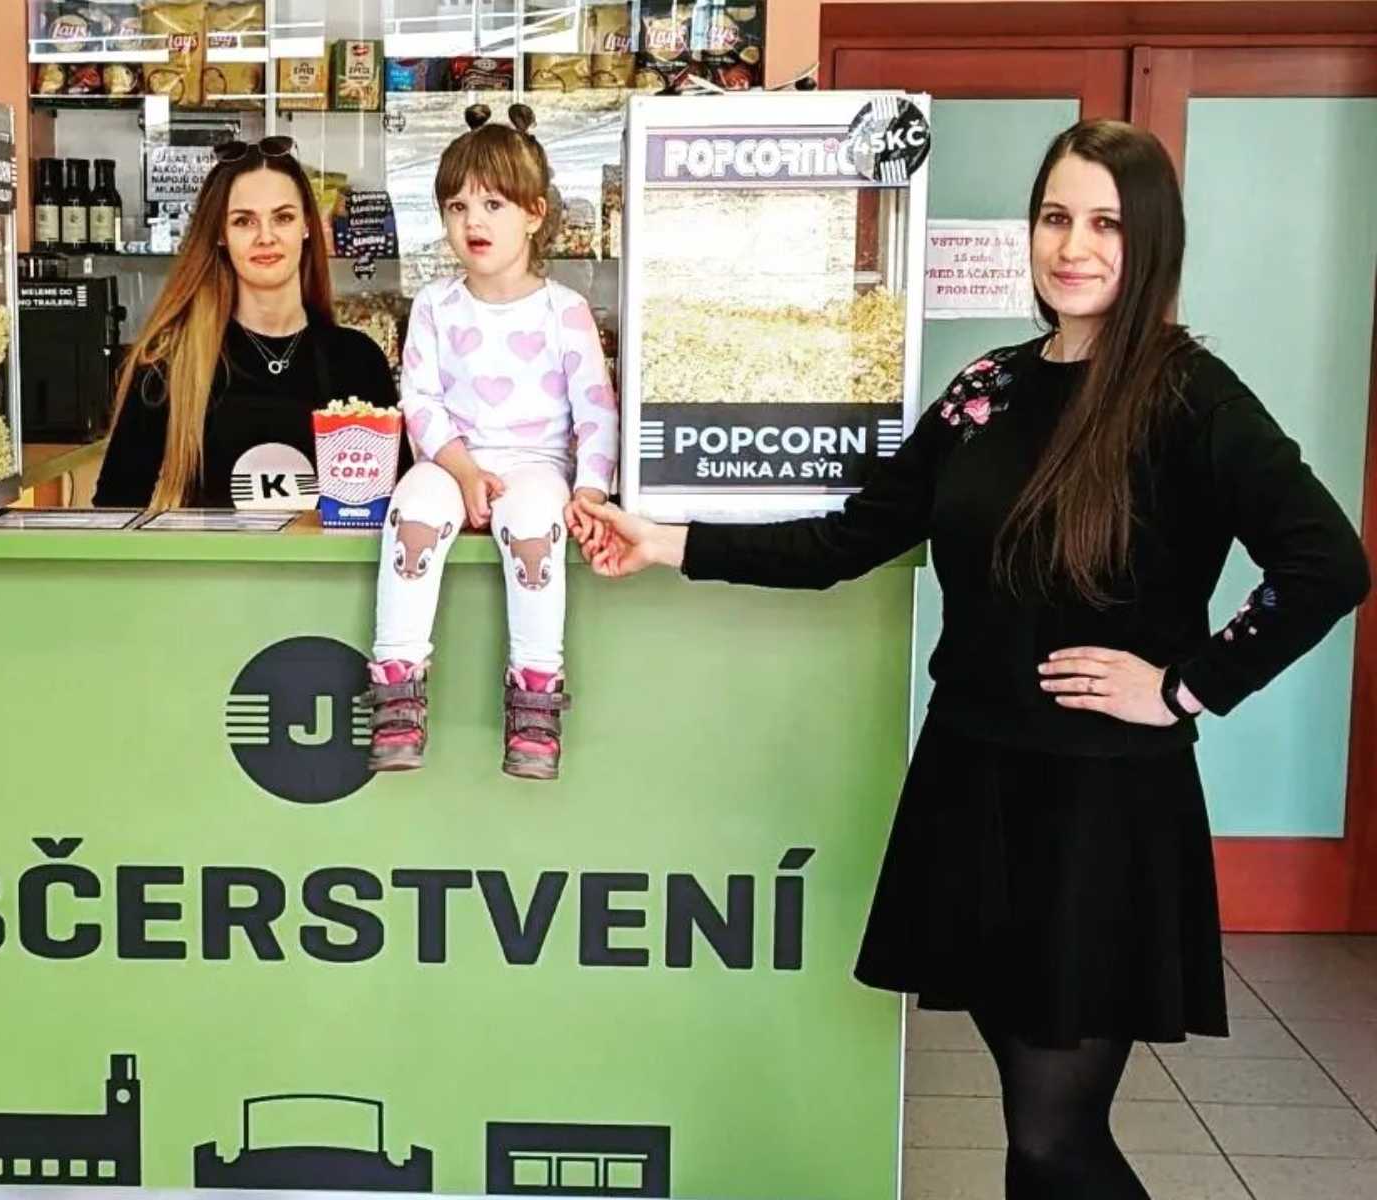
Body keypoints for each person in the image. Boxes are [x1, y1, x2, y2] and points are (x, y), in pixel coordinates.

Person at [577, 120, 1369, 1198]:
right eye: (1055, 217)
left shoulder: (1190, 396)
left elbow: (1327, 562)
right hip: (972, 780)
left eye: (1106, 224)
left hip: (1098, 808)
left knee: (1055, 1139)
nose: (1074, 246)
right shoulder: (987, 388)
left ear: (1152, 242)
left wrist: (1184, 686)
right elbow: (849, 541)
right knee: (1027, 1128)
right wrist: (664, 542)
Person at [361, 103, 620, 782]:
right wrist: (463, 470)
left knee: (534, 524)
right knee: (411, 511)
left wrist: (591, 492)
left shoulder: (564, 311)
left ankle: (536, 691)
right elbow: (420, 399)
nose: (472, 221)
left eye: (493, 204)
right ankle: (396, 680)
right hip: (451, 460)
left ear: (535, 214)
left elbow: (596, 410)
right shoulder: (434, 306)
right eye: (457, 206)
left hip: (538, 465)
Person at [94, 136, 398, 510]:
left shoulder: (358, 360)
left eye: (283, 217)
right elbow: (115, 507)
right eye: (243, 221)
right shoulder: (170, 363)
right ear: (220, 234)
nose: (265, 237)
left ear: (307, 225)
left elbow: (398, 506)